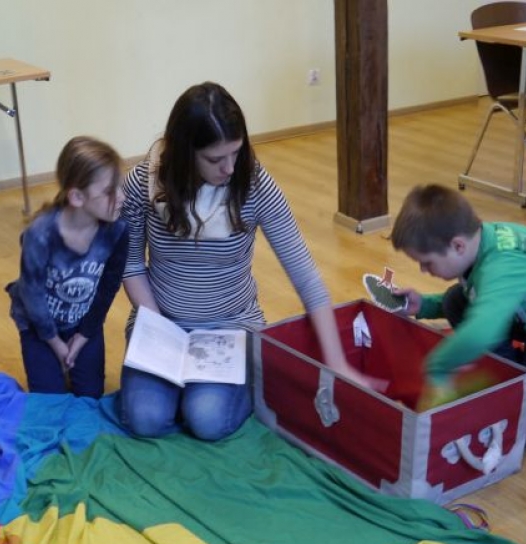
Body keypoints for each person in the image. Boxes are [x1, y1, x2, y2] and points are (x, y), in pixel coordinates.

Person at [117, 81, 379, 442]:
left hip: (229, 327)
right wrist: (161, 332)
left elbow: (305, 276)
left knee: (207, 420)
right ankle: (188, 388)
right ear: (184, 153)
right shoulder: (142, 182)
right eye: (214, 159)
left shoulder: (254, 185)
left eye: (236, 153)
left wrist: (337, 362)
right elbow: (131, 264)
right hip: (162, 324)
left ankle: (211, 388)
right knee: (145, 419)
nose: (229, 168)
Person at [390, 183, 526, 448]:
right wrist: (425, 305)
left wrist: (438, 367)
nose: (423, 270)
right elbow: (477, 294)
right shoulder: (482, 242)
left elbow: (482, 330)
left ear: (457, 245)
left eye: (427, 262)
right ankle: (514, 371)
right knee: (454, 301)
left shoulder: (503, 266)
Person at [6, 136, 128, 398]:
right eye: (109, 191)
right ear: (76, 196)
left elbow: (109, 286)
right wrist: (56, 344)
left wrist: (84, 335)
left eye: (120, 186)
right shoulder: (40, 234)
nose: (122, 197)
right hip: (39, 326)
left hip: (82, 322)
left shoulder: (117, 230)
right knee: (49, 399)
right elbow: (32, 294)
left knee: (90, 395)